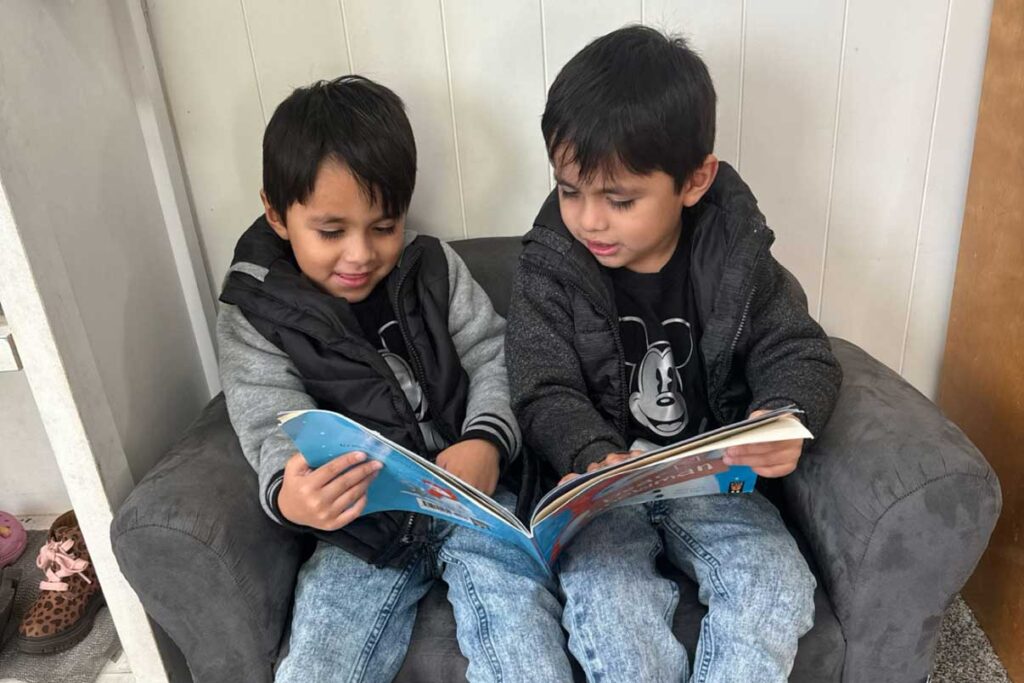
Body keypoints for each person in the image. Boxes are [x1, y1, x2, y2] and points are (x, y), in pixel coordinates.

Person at [506, 26, 843, 683]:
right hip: (600, 491)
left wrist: (782, 415)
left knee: (775, 583)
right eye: (570, 190)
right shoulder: (548, 262)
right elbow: (541, 385)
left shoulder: (734, 255)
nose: (589, 219)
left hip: (712, 483)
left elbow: (796, 347)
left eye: (619, 199)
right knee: (610, 605)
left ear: (694, 181)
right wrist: (589, 452)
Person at [217, 76, 571, 682]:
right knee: (319, 660)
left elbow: (494, 355)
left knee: (523, 642)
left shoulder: (433, 267)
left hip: (476, 501)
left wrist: (487, 441)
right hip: (361, 526)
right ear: (277, 214)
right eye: (332, 232)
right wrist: (290, 492)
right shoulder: (255, 310)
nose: (359, 254)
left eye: (384, 227)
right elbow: (266, 416)